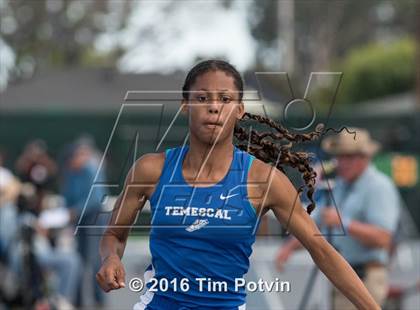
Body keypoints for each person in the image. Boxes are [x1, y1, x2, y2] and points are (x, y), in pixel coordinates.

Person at [96, 59, 380, 309]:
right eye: (203, 98)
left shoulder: (264, 180)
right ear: (186, 106)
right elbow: (115, 235)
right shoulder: (151, 169)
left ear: (240, 109)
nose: (214, 108)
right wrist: (111, 258)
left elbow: (323, 251)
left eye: (225, 99)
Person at [276, 127, 401, 309]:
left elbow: (383, 238)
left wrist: (344, 223)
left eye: (348, 157)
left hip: (366, 278)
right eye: (340, 156)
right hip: (342, 276)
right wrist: (289, 248)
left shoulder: (379, 187)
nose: (342, 162)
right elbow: (318, 223)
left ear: (364, 158)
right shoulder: (341, 185)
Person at [61, 139, 108, 307]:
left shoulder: (91, 169)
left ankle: (99, 301)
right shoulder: (70, 172)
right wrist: (66, 211)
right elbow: (67, 196)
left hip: (94, 217)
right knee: (78, 260)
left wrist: (75, 211)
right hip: (77, 219)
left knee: (94, 260)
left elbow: (96, 198)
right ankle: (77, 300)